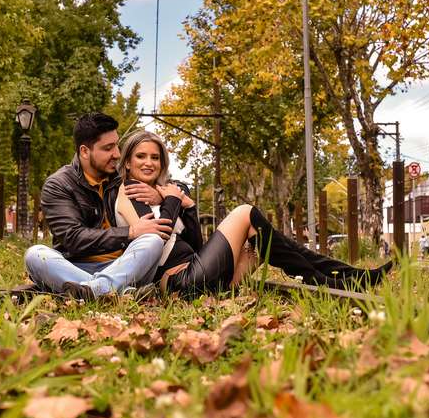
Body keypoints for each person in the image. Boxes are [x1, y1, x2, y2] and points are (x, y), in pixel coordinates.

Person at [114, 131, 393, 295]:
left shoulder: (164, 192)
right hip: (179, 283)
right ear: (127, 162)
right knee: (245, 213)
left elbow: (197, 247)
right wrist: (174, 200)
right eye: (141, 157)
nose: (149, 163)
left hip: (200, 273)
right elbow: (156, 238)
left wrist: (189, 207)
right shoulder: (128, 191)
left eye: (155, 157)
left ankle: (344, 278)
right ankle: (334, 280)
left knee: (265, 243)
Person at [24, 113, 171, 300]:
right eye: (108, 148)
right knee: (35, 255)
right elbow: (74, 238)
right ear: (85, 151)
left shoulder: (122, 174)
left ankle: (90, 290)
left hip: (124, 265)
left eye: (116, 145)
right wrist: (131, 232)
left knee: (153, 241)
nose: (117, 154)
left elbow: (177, 186)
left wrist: (159, 194)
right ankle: (113, 291)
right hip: (74, 265)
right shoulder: (59, 184)